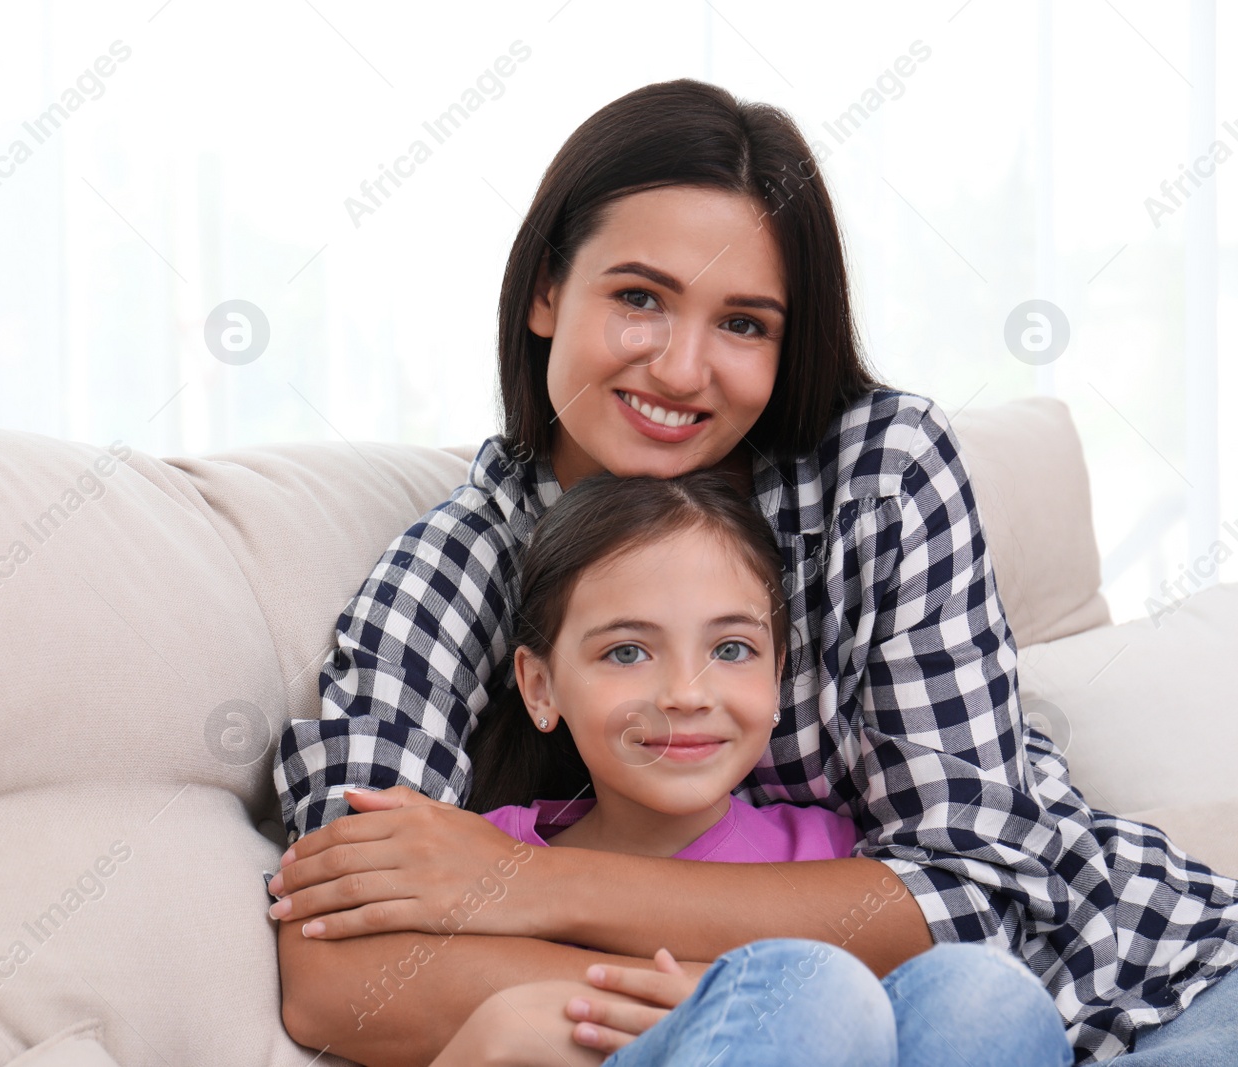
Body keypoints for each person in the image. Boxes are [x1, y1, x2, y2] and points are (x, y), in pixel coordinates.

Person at [268, 78, 1238, 1066]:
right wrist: (724, 1002)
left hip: (1144, 980)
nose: (682, 369)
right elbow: (336, 966)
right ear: (546, 291)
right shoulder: (452, 573)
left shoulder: (875, 474)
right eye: (639, 298)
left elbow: (971, 899)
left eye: (743, 323)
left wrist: (526, 883)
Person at [427, 465, 1075, 1065]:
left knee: (988, 992)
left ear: (777, 675)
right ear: (540, 687)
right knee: (816, 993)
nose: (687, 691)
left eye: (731, 647)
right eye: (627, 652)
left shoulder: (834, 864)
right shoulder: (483, 855)